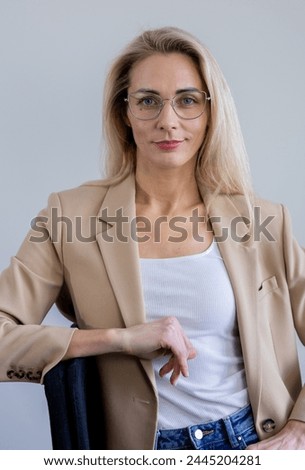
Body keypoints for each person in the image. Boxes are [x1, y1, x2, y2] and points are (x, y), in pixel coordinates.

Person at [0, 26, 305, 451]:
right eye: (147, 101)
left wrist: (299, 431)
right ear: (124, 112)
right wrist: (117, 339)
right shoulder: (68, 216)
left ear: (211, 112)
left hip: (249, 441)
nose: (168, 121)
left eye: (187, 100)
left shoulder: (265, 221)